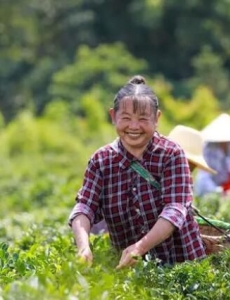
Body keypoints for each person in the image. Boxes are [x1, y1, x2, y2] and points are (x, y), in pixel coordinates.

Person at [68, 75, 207, 269]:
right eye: (126, 118)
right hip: (130, 267)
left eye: (143, 119)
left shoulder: (171, 154)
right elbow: (85, 207)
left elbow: (175, 208)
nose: (134, 127)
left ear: (157, 118)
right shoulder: (101, 161)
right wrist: (83, 247)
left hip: (180, 261)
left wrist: (140, 247)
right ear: (113, 116)